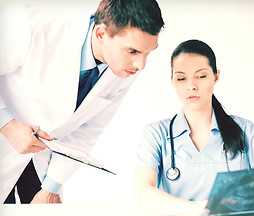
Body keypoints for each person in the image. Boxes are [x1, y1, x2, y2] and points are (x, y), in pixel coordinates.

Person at [0, 0, 164, 204]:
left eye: (149, 52)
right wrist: (6, 124)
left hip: (42, 163)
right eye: (133, 52)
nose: (141, 65)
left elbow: (89, 129)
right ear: (101, 34)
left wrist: (51, 187)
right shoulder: (35, 25)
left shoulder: (126, 67)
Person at [133, 39, 254, 216]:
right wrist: (197, 210)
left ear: (216, 77)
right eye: (181, 78)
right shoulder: (156, 134)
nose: (191, 85)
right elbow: (142, 192)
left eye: (201, 76)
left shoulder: (244, 129)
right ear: (173, 81)